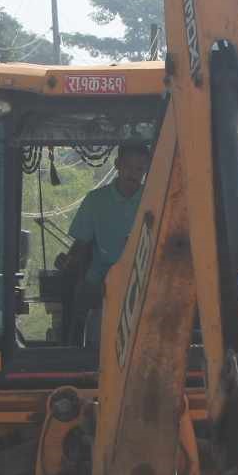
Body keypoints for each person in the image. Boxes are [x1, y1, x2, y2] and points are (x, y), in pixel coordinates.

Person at [58, 143, 151, 337]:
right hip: (102, 278)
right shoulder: (95, 200)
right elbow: (81, 243)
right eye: (128, 167)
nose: (133, 175)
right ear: (117, 164)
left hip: (145, 276)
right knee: (86, 313)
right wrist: (69, 262)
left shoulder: (152, 201)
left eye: (139, 169)